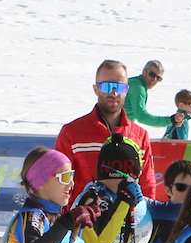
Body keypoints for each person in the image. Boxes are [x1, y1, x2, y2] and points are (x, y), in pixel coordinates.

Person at [55, 59, 158, 202]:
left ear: (127, 90)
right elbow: (60, 183)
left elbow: (147, 185)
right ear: (96, 89)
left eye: (120, 87)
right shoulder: (72, 133)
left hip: (127, 221)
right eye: (107, 87)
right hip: (84, 220)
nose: (114, 93)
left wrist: (145, 218)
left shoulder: (140, 136)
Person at [125, 60, 184, 132]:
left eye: (158, 78)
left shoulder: (134, 82)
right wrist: (170, 120)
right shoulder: (138, 87)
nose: (154, 79)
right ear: (144, 72)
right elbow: (141, 117)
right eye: (152, 75)